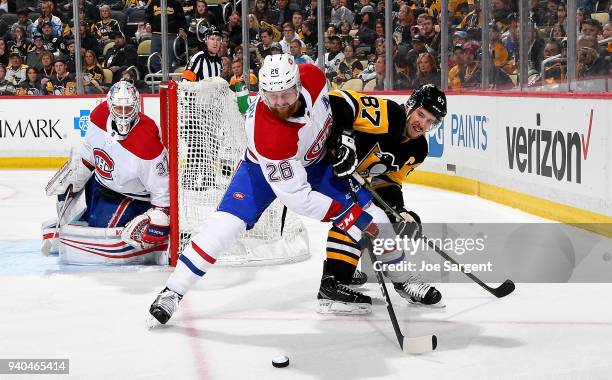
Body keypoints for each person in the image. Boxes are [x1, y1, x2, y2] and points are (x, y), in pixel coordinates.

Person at [147, 55, 384, 326]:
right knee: (223, 227)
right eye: (272, 97)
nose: (280, 103)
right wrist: (344, 214)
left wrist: (343, 138)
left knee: (376, 217)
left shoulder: (314, 77)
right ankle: (173, 291)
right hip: (261, 170)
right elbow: (297, 197)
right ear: (262, 93)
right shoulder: (268, 134)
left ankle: (403, 279)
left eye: (286, 94)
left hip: (316, 162)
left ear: (298, 83)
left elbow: (335, 106)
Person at [321, 84, 448, 310]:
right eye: (421, 115)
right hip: (322, 171)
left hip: (349, 183)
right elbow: (336, 100)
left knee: (387, 217)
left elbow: (389, 181)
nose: (423, 125)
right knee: (360, 216)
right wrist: (345, 138)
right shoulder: (388, 114)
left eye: (431, 122)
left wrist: (399, 210)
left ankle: (343, 271)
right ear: (410, 106)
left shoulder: (418, 149)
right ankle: (333, 286)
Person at [41, 81, 170, 263]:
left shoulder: (148, 142)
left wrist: (159, 217)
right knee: (67, 195)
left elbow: (163, 193)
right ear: (110, 105)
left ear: (136, 107)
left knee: (103, 225)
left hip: (132, 198)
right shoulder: (99, 115)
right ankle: (81, 220)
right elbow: (89, 153)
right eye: (119, 108)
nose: (124, 114)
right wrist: (75, 175)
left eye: (128, 109)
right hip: (100, 184)